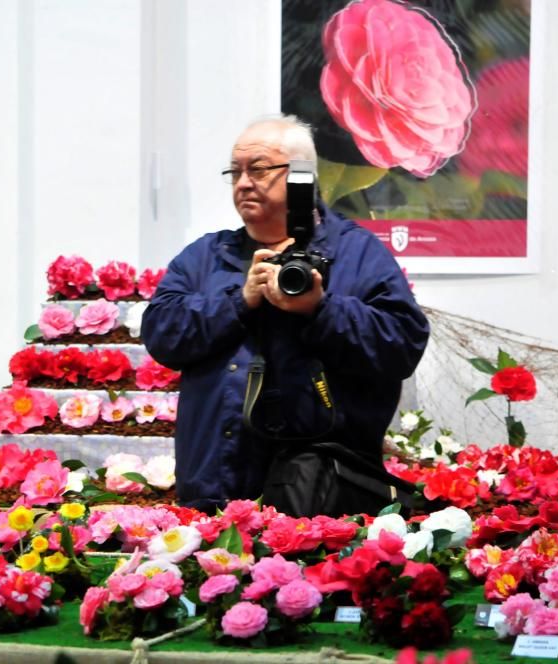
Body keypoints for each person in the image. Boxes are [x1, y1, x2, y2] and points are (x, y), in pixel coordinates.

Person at [141, 115, 429, 512]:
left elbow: (402, 345)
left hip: (322, 496)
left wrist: (320, 310)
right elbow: (161, 335)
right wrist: (238, 301)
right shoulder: (205, 257)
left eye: (258, 170)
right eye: (235, 172)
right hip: (215, 487)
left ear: (301, 177)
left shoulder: (357, 253)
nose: (243, 184)